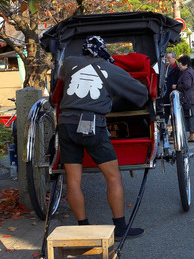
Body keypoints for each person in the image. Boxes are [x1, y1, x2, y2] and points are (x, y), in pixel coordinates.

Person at [57, 35, 147, 240]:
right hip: (91, 125)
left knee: (73, 180)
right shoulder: (112, 70)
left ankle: (83, 228)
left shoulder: (69, 62)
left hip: (66, 123)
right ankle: (120, 228)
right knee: (113, 177)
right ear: (104, 51)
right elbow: (141, 94)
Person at [173, 55, 194, 142]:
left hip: (188, 98)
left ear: (186, 65)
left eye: (180, 63)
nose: (179, 65)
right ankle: (192, 136)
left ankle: (192, 136)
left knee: (189, 116)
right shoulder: (190, 71)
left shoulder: (187, 73)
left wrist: (176, 86)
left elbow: (187, 85)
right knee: (190, 116)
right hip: (190, 98)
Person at [163, 51, 180, 124]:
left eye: (169, 58)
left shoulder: (177, 69)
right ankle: (164, 129)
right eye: (166, 58)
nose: (167, 60)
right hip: (165, 93)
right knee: (165, 113)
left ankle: (174, 132)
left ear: (174, 58)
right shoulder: (165, 68)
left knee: (174, 114)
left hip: (173, 93)